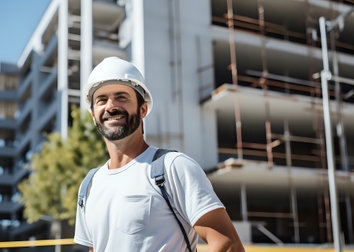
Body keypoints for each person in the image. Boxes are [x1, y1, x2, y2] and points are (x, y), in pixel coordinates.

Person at [74, 57, 244, 252]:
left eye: (121, 97)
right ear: (93, 115)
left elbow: (227, 244)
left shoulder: (174, 167)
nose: (111, 106)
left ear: (143, 109)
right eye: (101, 99)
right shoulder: (89, 185)